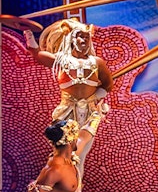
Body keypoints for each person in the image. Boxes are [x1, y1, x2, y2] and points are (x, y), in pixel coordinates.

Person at [23, 18, 112, 166]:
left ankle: (75, 187)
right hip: (65, 112)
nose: (84, 40)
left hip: (89, 114)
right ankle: (61, 183)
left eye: (86, 36)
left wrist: (92, 98)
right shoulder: (62, 61)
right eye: (80, 36)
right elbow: (38, 54)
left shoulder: (97, 62)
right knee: (62, 154)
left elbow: (108, 85)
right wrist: (28, 34)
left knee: (79, 155)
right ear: (71, 39)